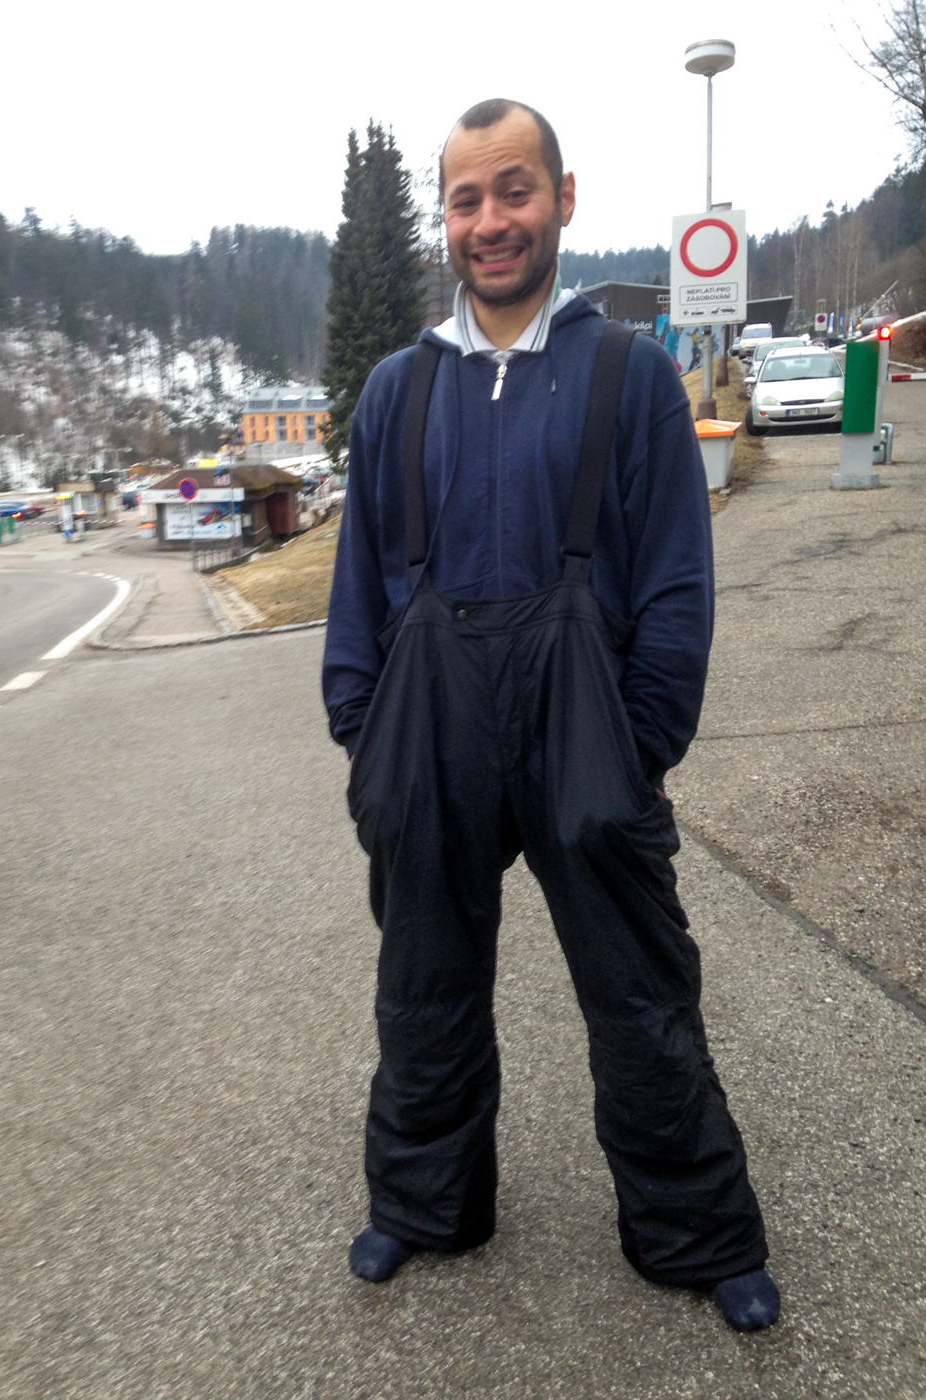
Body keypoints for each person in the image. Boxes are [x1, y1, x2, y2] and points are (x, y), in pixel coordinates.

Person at [322, 98, 780, 1333]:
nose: (490, 221)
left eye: (513, 190)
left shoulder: (625, 376)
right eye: (466, 199)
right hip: (428, 731)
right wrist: (368, 745)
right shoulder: (394, 391)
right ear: (447, 220)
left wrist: (638, 751)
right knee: (424, 989)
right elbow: (358, 588)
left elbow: (678, 584)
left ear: (562, 201)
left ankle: (696, 1229)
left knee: (641, 994)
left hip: (590, 731)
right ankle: (424, 1203)